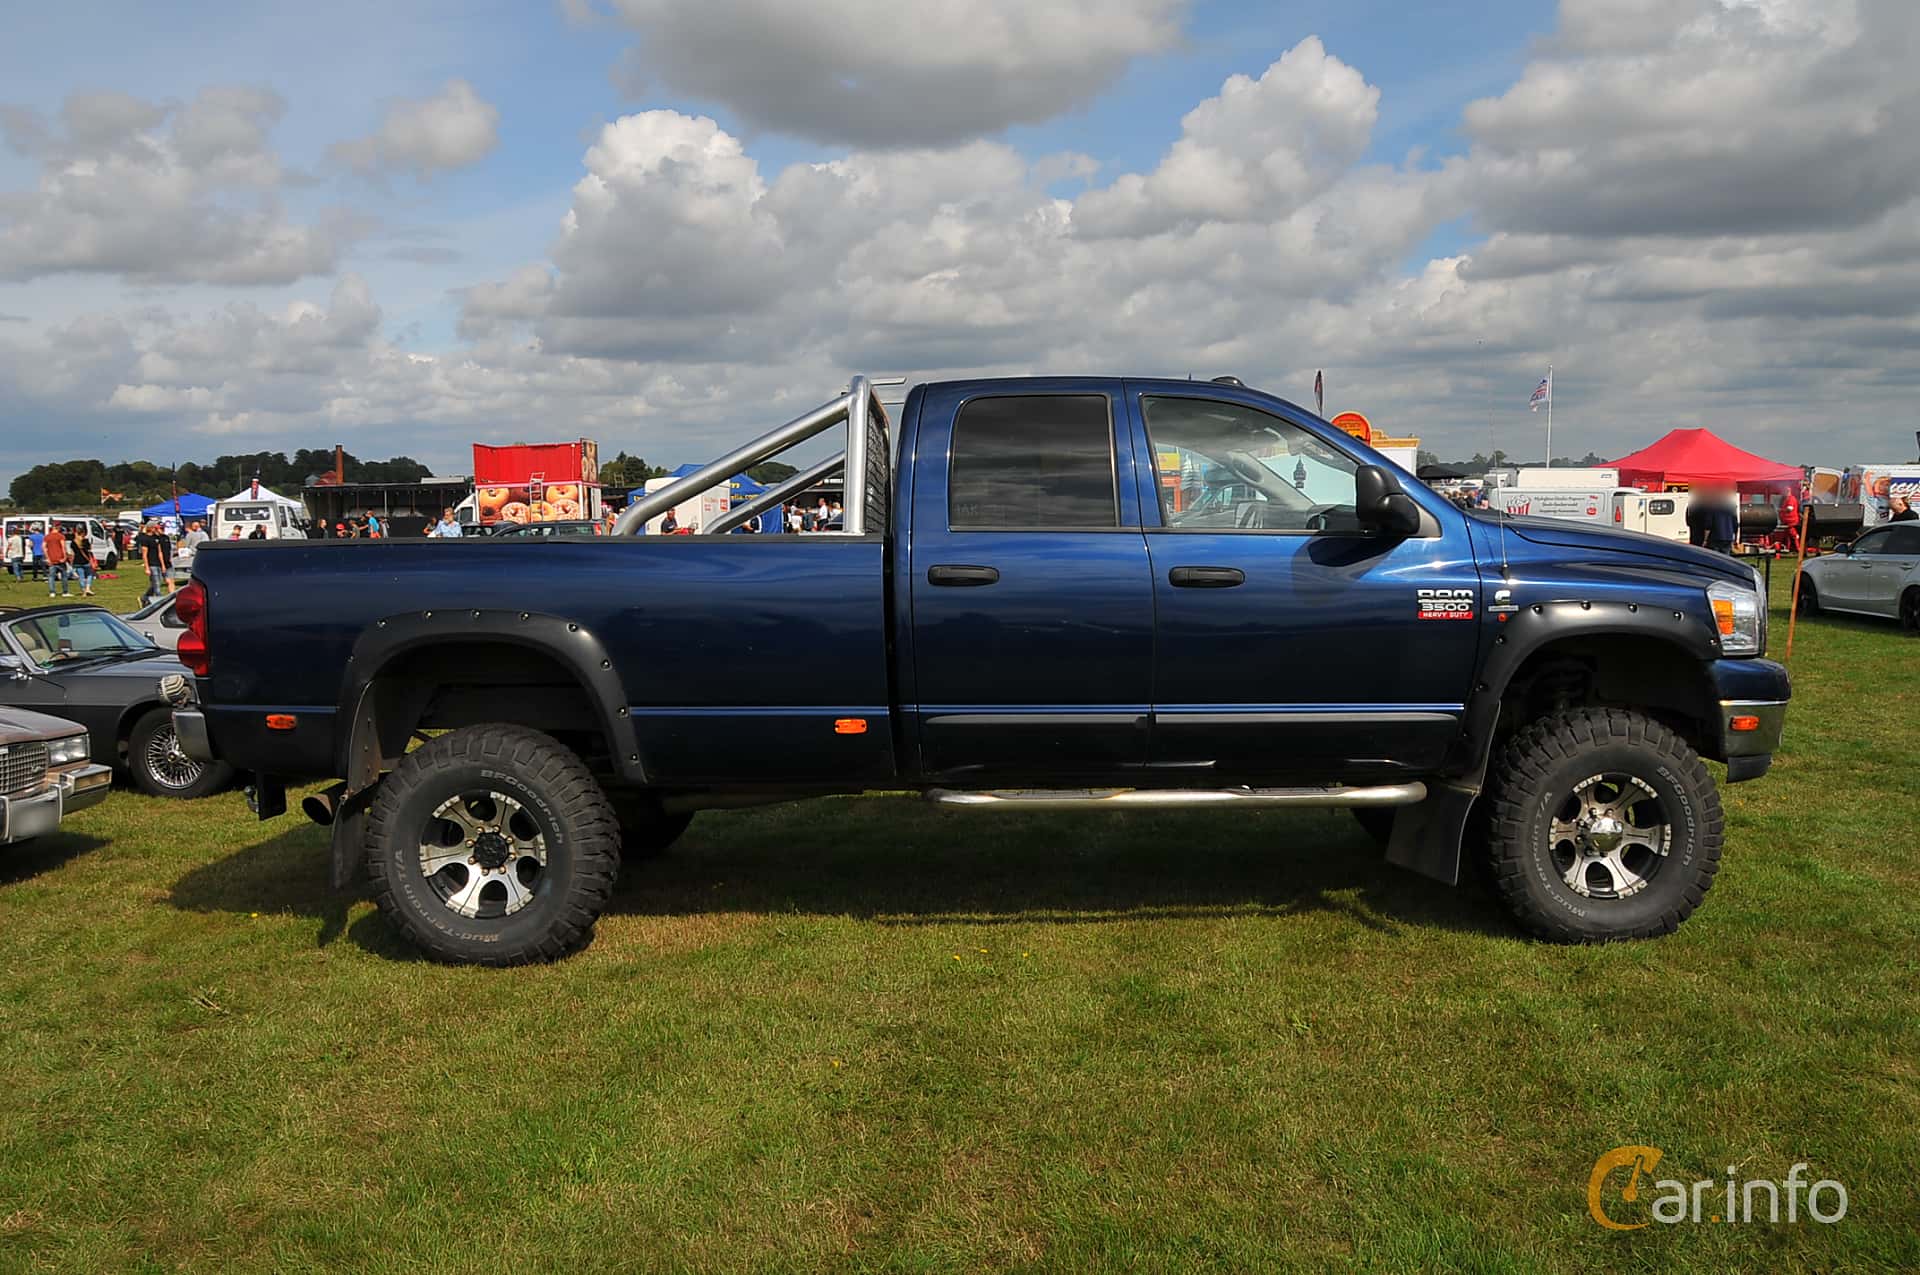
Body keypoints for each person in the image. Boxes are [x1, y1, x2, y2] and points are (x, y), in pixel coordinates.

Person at [137, 521, 173, 603]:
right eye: (153, 527)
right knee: (156, 584)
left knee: (157, 582)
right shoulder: (145, 538)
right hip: (151, 564)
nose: (155, 529)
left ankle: (145, 597)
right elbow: (144, 554)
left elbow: (160, 552)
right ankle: (160, 601)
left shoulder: (156, 538)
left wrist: (163, 565)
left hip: (158, 563)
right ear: (150, 528)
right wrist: (147, 567)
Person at [42, 522, 71, 597]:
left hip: (51, 559)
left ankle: (52, 592)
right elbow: (63, 547)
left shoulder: (47, 537)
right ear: (58, 527)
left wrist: (47, 558)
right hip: (60, 558)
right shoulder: (60, 536)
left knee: (51, 577)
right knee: (64, 576)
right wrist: (65, 557)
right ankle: (65, 592)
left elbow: (44, 548)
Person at [70, 527, 96, 596]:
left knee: (81, 577)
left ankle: (83, 591)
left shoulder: (73, 542)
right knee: (90, 575)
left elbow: (72, 553)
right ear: (83, 533)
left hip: (77, 561)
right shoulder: (85, 541)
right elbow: (90, 549)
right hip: (85, 561)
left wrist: (71, 562)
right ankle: (88, 588)